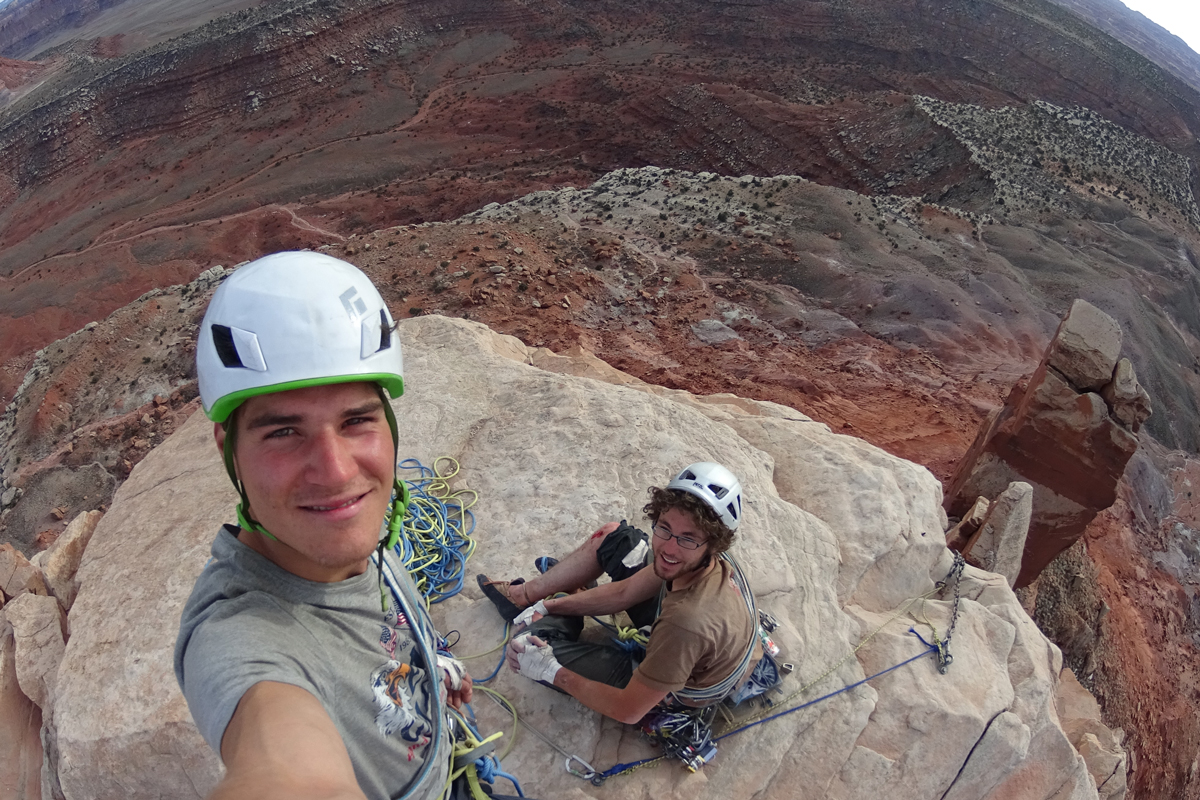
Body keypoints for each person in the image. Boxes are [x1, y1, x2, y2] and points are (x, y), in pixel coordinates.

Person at [174, 251, 500, 800]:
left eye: (356, 421)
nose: (336, 472)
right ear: (228, 450)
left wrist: (433, 667)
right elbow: (282, 765)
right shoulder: (241, 638)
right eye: (283, 432)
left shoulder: (365, 546)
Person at [477, 462, 761, 729]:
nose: (669, 548)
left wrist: (551, 670)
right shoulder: (694, 563)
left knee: (525, 647)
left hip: (675, 683)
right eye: (664, 528)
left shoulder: (685, 623)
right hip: (688, 640)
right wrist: (548, 605)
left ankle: (568, 600)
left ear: (714, 543)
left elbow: (628, 710)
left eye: (688, 538)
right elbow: (627, 591)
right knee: (614, 537)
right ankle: (529, 596)